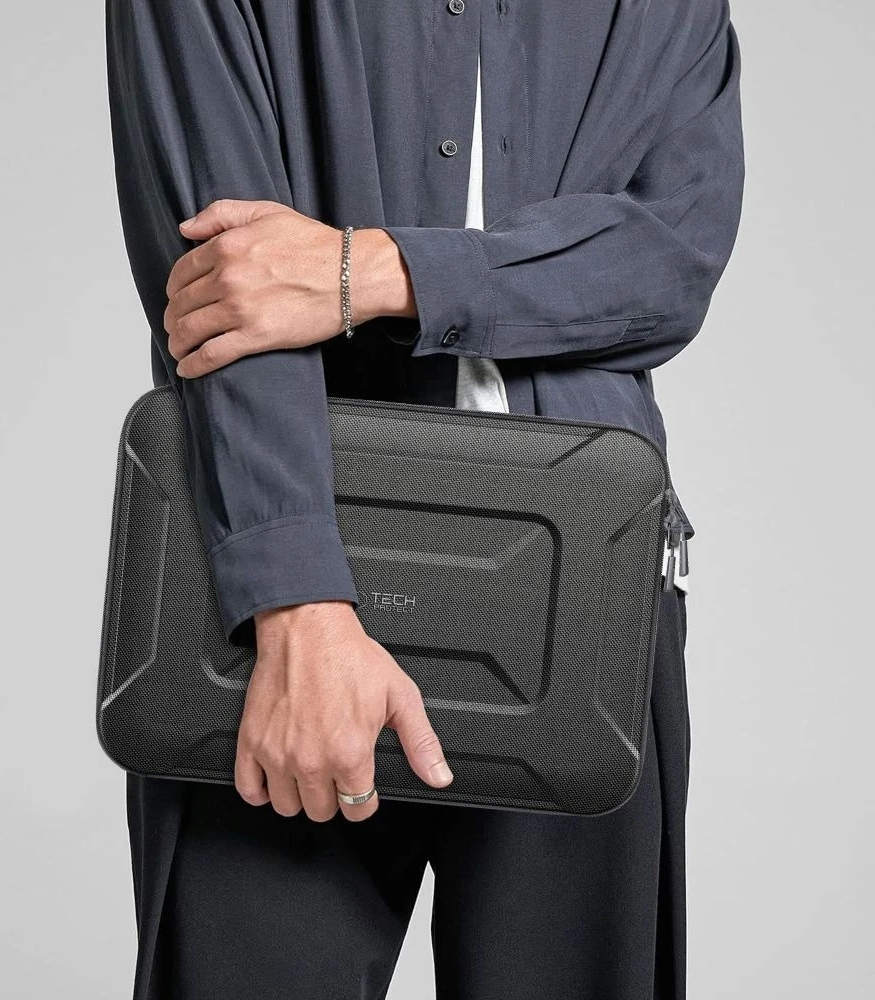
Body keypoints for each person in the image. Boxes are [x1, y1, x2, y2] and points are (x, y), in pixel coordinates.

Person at [105, 1, 744, 997]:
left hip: (587, 590)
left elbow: (673, 261)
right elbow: (227, 280)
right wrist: (297, 603)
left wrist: (375, 272)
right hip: (273, 594)